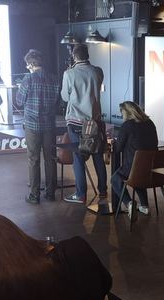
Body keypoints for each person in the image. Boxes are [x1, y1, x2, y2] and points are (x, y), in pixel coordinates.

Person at [60, 44, 108, 204]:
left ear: (74, 56)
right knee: (98, 156)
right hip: (94, 121)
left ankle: (81, 194)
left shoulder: (69, 74)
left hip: (75, 121)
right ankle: (103, 191)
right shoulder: (98, 71)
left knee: (79, 158)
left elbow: (65, 97)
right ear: (87, 55)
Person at [16, 49, 60, 204]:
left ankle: (34, 195)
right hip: (49, 125)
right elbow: (57, 101)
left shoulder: (28, 79)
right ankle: (50, 193)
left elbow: (19, 101)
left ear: (30, 64)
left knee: (33, 159)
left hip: (32, 125)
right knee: (50, 159)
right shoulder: (54, 79)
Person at [111, 101, 158, 216]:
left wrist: (114, 143)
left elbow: (118, 148)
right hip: (153, 169)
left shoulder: (127, 125)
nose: (122, 116)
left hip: (134, 167)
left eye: (122, 113)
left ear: (127, 112)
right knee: (138, 175)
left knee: (116, 179)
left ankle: (129, 203)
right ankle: (144, 206)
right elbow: (155, 143)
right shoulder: (150, 123)